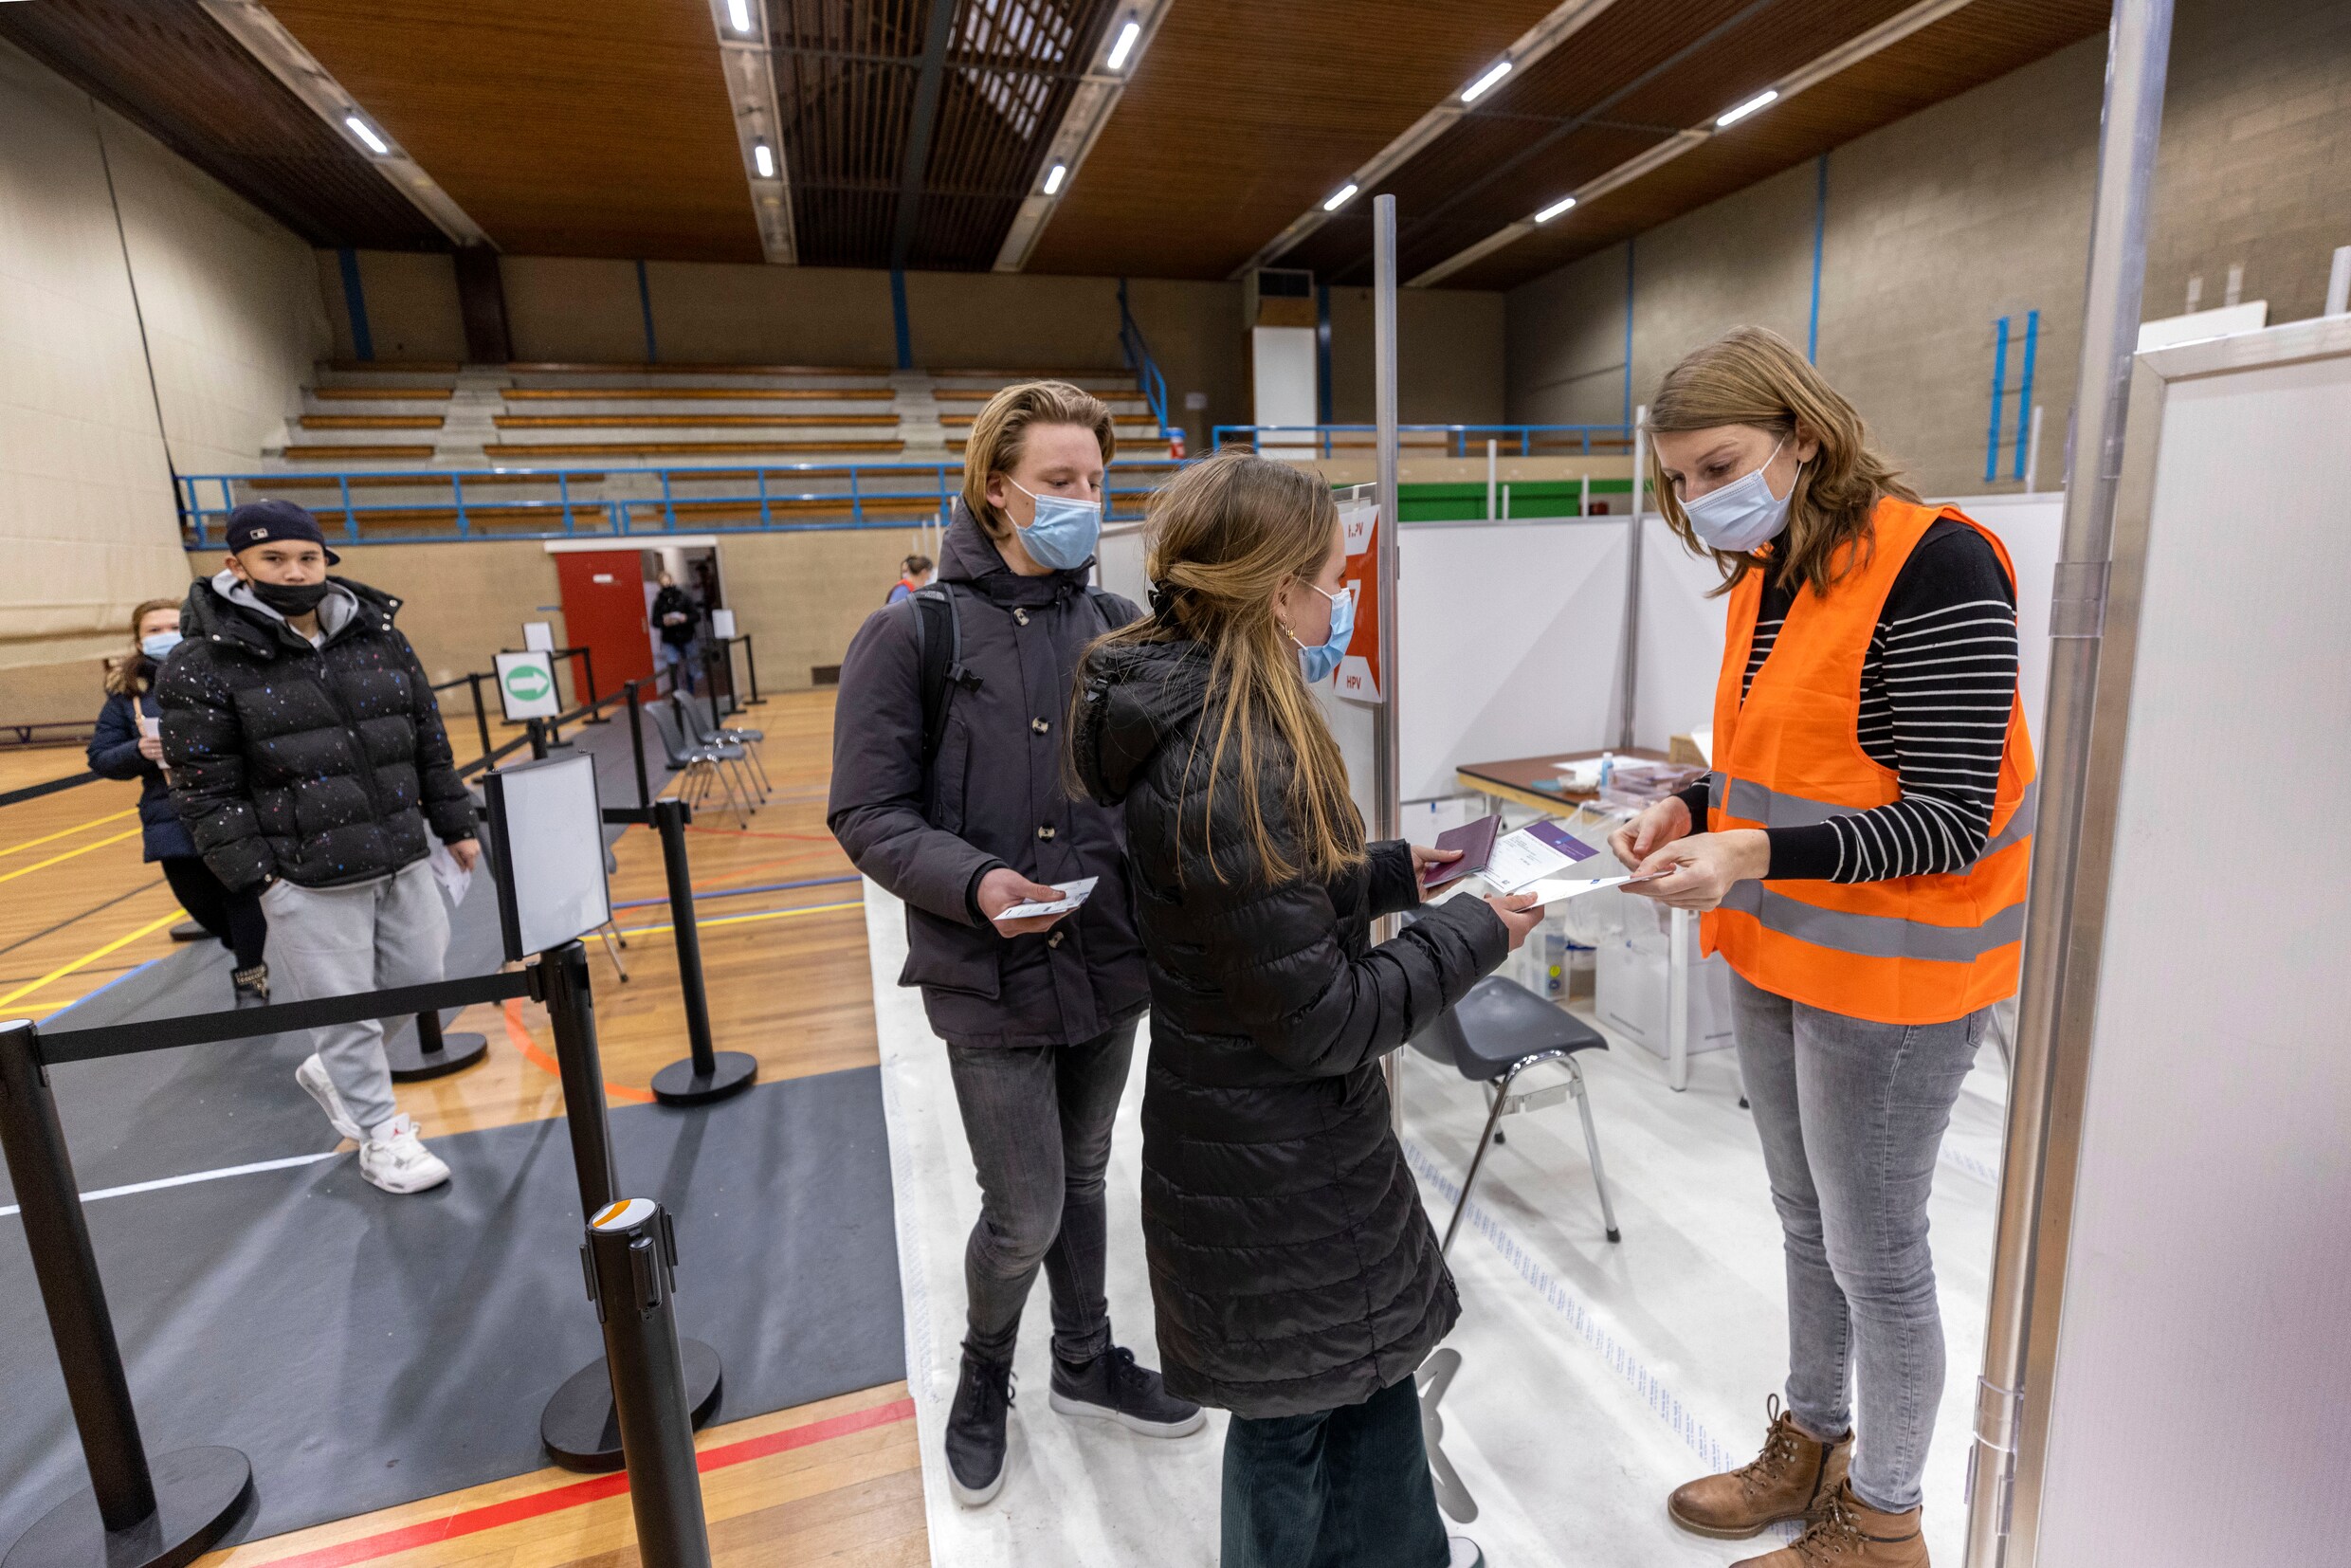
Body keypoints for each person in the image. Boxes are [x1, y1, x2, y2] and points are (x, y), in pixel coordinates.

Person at [1070, 450, 1545, 1568]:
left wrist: (1389, 874)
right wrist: (1476, 929)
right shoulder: (1224, 753)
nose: (1342, 600)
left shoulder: (1212, 711)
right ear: (1275, 588)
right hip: (1271, 1163)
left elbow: (1256, 902)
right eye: (1332, 577)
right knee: (1291, 1423)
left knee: (1362, 1385)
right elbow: (1321, 1017)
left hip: (1278, 1154)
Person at [1612, 328, 2033, 1568]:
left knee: (1878, 1248)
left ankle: (1887, 1515)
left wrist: (1748, 855)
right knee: (1808, 1220)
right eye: (1680, 478)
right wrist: (1693, 807)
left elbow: (1949, 817)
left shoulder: (1937, 562)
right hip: (1781, 954)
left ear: (1806, 433)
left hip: (1897, 973)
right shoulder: (1769, 568)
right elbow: (1767, 763)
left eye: (1720, 463)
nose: (1701, 496)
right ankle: (1813, 1434)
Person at [829, 380, 1204, 1507]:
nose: (1084, 502)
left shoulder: (1113, 627)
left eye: (1094, 482)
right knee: (1023, 1206)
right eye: (1058, 482)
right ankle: (984, 1374)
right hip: (984, 966)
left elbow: (1148, 790)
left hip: (1106, 962)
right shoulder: (912, 633)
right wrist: (976, 880)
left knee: (1087, 1172)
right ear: (996, 492)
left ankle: (1083, 1359)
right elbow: (866, 814)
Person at [160, 499, 482, 1196]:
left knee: (426, 978)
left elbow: (426, 734)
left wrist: (453, 823)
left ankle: (335, 1071)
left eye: (307, 558)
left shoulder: (377, 633)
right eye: (273, 558)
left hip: (399, 849)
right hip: (303, 871)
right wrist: (260, 878)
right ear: (235, 566)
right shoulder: (199, 662)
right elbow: (203, 787)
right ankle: (380, 1136)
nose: (294, 571)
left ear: (325, 561)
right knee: (344, 1009)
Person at [88, 597, 270, 1005]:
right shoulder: (126, 696)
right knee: (200, 902)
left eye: (172, 626)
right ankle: (244, 943)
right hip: (170, 815)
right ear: (137, 639)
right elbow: (100, 758)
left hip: (229, 805)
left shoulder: (225, 673)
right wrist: (139, 750)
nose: (164, 636)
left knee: (238, 892)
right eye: (153, 630)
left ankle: (250, 975)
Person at [652, 570, 702, 694]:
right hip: (669, 638)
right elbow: (655, 621)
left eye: (667, 582)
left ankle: (690, 690)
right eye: (663, 584)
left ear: (672, 581)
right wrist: (664, 622)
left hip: (686, 635)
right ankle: (678, 693)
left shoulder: (683, 597)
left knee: (690, 665)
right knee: (673, 666)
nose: (666, 586)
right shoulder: (658, 602)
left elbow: (696, 615)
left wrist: (685, 618)